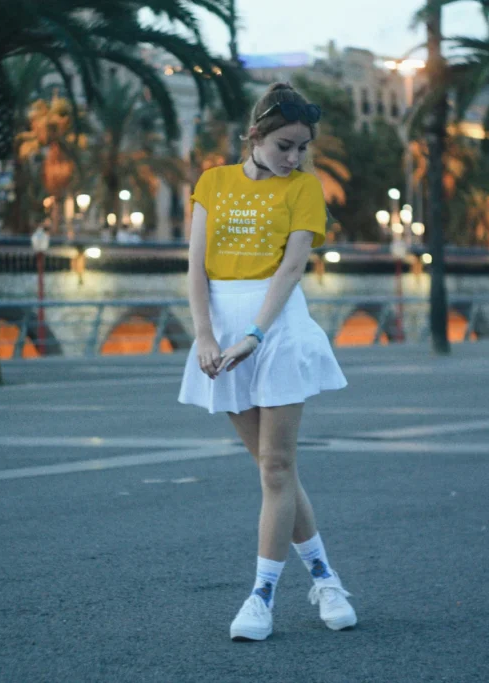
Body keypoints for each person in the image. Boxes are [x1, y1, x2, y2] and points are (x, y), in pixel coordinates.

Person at [178, 82, 355, 641]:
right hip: (222, 330)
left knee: (276, 467)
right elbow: (196, 269)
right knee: (272, 468)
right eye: (285, 145)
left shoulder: (304, 189)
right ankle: (325, 577)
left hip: (275, 327)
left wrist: (255, 333)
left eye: (302, 147)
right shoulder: (213, 182)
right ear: (254, 136)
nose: (294, 158)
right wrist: (205, 336)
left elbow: (291, 269)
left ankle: (261, 597)